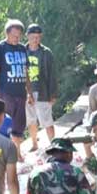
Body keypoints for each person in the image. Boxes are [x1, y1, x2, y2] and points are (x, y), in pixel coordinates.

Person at [0, 19, 32, 161]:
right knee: (4, 125)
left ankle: (17, 153)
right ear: (7, 33)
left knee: (19, 125)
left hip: (20, 93)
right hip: (5, 93)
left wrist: (30, 93)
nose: (17, 38)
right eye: (14, 35)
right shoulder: (0, 48)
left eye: (19, 35)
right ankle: (1, 156)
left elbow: (26, 72)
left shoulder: (22, 49)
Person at [25, 24, 58, 152]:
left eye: (38, 37)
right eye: (33, 37)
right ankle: (34, 143)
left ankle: (53, 144)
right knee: (31, 119)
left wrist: (53, 94)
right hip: (27, 91)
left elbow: (52, 74)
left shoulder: (46, 53)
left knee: (47, 119)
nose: (35, 40)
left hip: (43, 90)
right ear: (27, 36)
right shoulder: (22, 51)